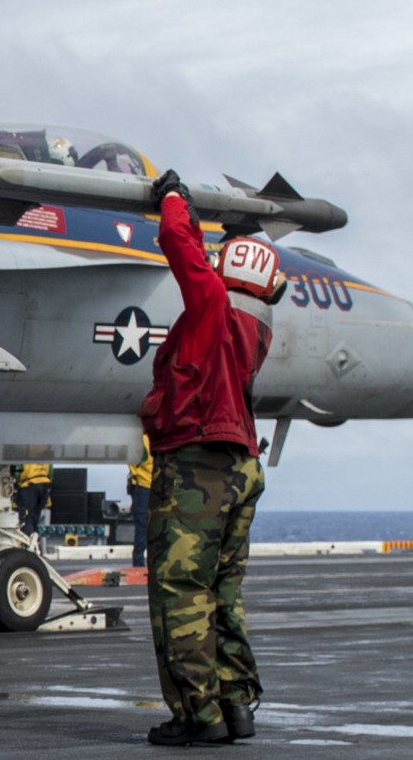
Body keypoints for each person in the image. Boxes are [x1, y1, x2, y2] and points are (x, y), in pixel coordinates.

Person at [136, 169, 288, 747]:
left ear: (226, 270)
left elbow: (182, 250)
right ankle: (237, 706)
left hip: (199, 466)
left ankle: (197, 716)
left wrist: (175, 202)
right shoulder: (257, 323)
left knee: (180, 589)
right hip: (242, 465)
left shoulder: (213, 308)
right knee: (223, 590)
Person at [127, 445, 152, 568]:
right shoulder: (142, 439)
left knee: (142, 528)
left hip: (143, 486)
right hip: (150, 484)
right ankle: (140, 564)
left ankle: (139, 564)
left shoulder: (138, 439)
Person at [13, 464, 52, 536]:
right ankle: (34, 537)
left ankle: (26, 539)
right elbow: (51, 471)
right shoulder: (46, 453)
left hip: (29, 485)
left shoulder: (23, 453)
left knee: (27, 516)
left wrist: (16, 484)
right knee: (36, 516)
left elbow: (16, 470)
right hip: (44, 485)